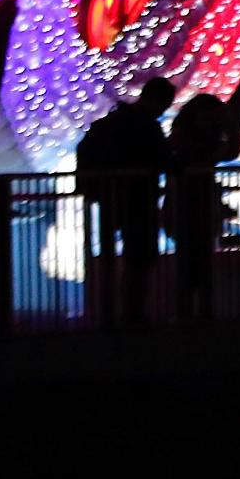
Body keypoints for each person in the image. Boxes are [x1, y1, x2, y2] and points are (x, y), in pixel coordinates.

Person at [77, 77, 174, 326]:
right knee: (140, 258)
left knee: (111, 256)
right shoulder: (147, 127)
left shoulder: (110, 123)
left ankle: (108, 311)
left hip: (109, 196)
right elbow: (166, 161)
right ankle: (133, 312)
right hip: (139, 198)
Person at [167, 91, 240, 319]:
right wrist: (230, 129)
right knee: (194, 257)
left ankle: (194, 308)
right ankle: (194, 308)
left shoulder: (189, 135)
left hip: (193, 200)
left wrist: (229, 129)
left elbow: (229, 152)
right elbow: (226, 152)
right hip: (190, 200)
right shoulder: (191, 139)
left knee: (196, 257)